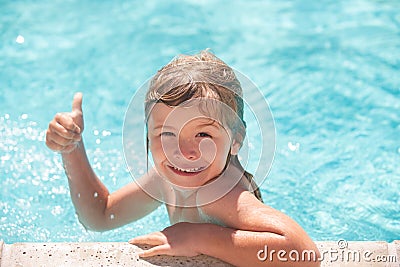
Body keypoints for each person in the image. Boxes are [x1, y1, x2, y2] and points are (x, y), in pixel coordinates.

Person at [46, 50, 320, 267]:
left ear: (236, 139)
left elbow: (305, 254)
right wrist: (72, 149)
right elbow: (100, 216)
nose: (186, 152)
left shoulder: (222, 194)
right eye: (167, 134)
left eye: (203, 134)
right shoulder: (166, 179)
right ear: (147, 138)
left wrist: (200, 237)